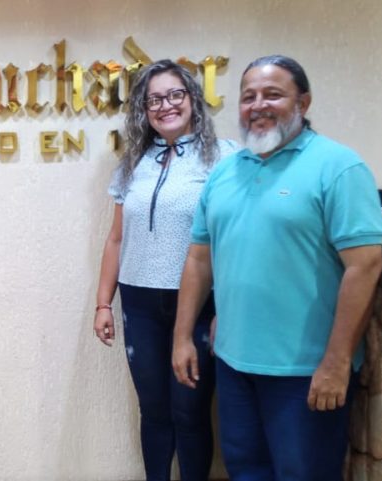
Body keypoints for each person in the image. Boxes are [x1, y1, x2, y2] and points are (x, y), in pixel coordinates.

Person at [172, 55, 382, 480]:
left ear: (303, 103)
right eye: (248, 96)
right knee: (245, 471)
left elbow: (365, 267)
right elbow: (199, 259)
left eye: (273, 94)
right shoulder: (225, 172)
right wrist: (181, 338)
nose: (258, 105)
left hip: (304, 373)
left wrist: (337, 362)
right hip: (233, 364)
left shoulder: (339, 167)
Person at [92, 59, 237, 481]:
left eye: (175, 95)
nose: (166, 106)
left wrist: (228, 308)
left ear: (192, 99)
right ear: (144, 109)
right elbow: (116, 238)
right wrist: (103, 303)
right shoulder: (133, 163)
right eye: (154, 99)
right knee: (154, 410)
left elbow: (234, 239)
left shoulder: (224, 158)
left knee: (190, 411)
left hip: (198, 304)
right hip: (139, 304)